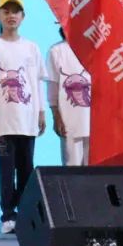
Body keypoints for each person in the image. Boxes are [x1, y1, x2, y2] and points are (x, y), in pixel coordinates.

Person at [0, 0, 47, 234]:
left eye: (15, 12)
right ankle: (8, 215)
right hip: (3, 120)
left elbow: (37, 83)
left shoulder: (32, 48)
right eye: (6, 12)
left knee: (26, 169)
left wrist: (41, 111)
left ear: (23, 16)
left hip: (27, 119)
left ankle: (26, 215)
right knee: (6, 170)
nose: (11, 16)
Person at [46, 28, 91, 166]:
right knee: (72, 168)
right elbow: (52, 86)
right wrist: (56, 116)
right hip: (69, 121)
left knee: (94, 170)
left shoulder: (94, 48)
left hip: (95, 121)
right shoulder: (56, 51)